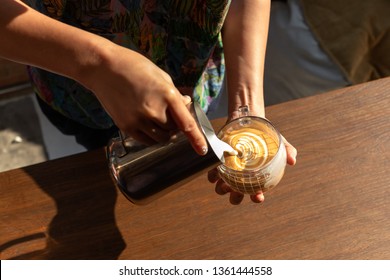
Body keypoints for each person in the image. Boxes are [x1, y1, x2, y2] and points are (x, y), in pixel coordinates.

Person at [0, 0, 297, 204]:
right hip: (77, 87)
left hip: (194, 75)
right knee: (92, 174)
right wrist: (95, 64)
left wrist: (247, 107)